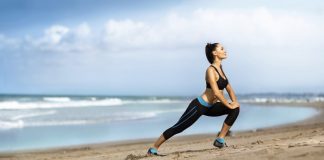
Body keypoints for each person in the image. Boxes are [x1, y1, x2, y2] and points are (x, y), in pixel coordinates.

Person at [147, 43, 240, 156]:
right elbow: (216, 92)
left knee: (235, 109)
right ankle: (153, 148)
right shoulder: (210, 70)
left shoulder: (220, 69)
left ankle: (220, 139)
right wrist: (229, 105)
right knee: (178, 128)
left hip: (211, 107)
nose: (225, 50)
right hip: (199, 106)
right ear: (214, 53)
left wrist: (234, 102)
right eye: (222, 49)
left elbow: (229, 89)